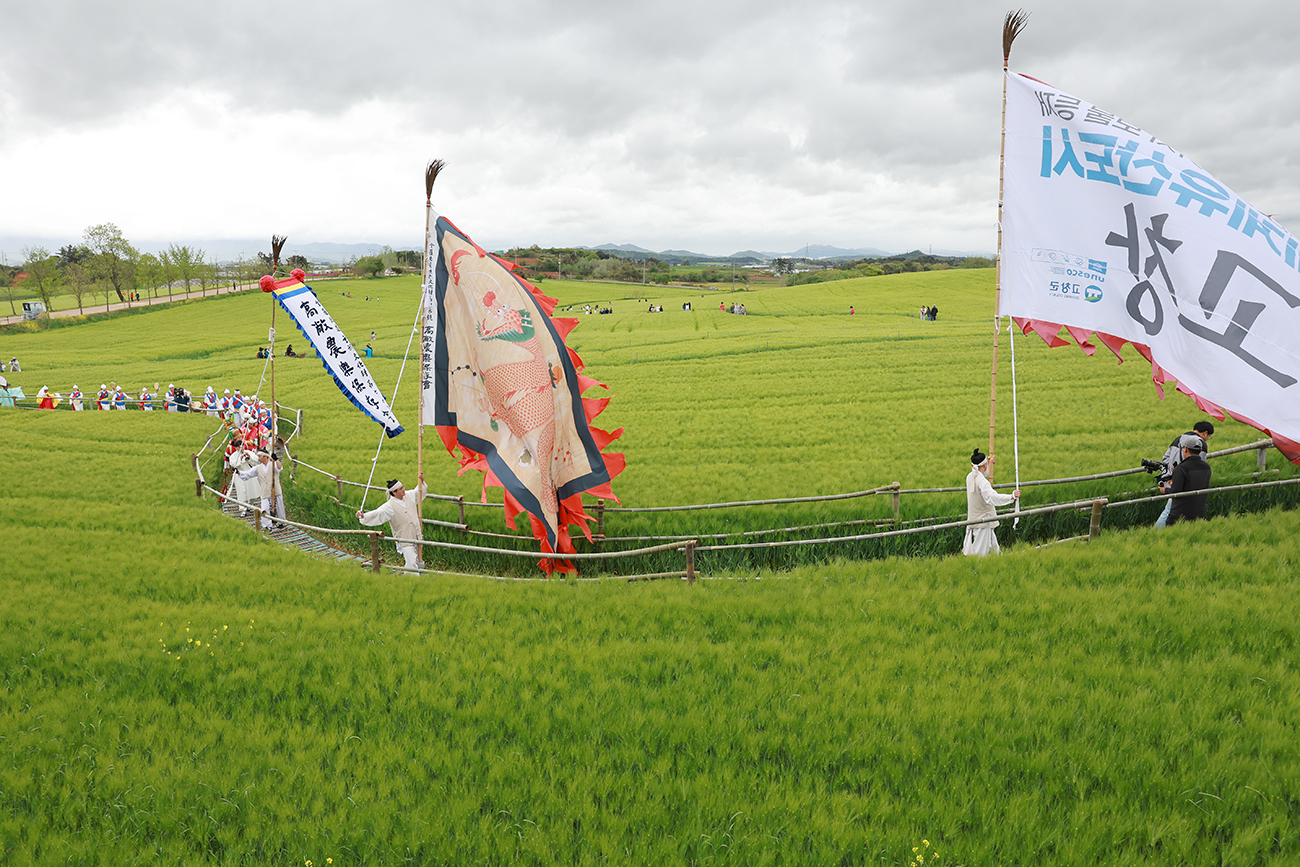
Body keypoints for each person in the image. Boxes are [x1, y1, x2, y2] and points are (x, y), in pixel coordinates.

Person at [357, 474, 428, 574]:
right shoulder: (389, 506)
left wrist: (421, 481)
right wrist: (363, 516)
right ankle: (413, 581)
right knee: (411, 562)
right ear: (394, 492)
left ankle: (409, 579)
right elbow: (377, 513)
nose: (403, 489)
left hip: (416, 534)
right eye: (401, 489)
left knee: (415, 560)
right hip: (405, 538)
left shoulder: (409, 495)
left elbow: (419, 492)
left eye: (403, 487)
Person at [1154, 421, 1214, 528]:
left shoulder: (1177, 439)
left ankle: (1155, 534)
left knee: (1169, 509)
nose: (1208, 438)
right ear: (1205, 433)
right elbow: (1199, 466)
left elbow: (1165, 459)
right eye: (1209, 436)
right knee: (1172, 510)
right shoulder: (1200, 444)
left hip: (1174, 479)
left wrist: (1169, 476)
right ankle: (1156, 533)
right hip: (1188, 485)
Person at [963, 448, 1020, 556]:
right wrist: (1011, 497)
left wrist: (987, 463)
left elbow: (980, 473)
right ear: (984, 466)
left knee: (993, 550)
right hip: (983, 523)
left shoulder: (969, 477)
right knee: (980, 554)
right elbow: (993, 498)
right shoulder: (983, 483)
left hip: (973, 520)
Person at [238, 448, 285, 529]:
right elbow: (247, 474)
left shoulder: (273, 464)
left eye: (260, 457)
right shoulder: (258, 468)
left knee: (279, 507)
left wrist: (276, 459)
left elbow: (280, 468)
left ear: (265, 457)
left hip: (275, 489)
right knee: (265, 509)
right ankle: (267, 525)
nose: (258, 458)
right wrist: (238, 472)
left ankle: (280, 522)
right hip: (265, 491)